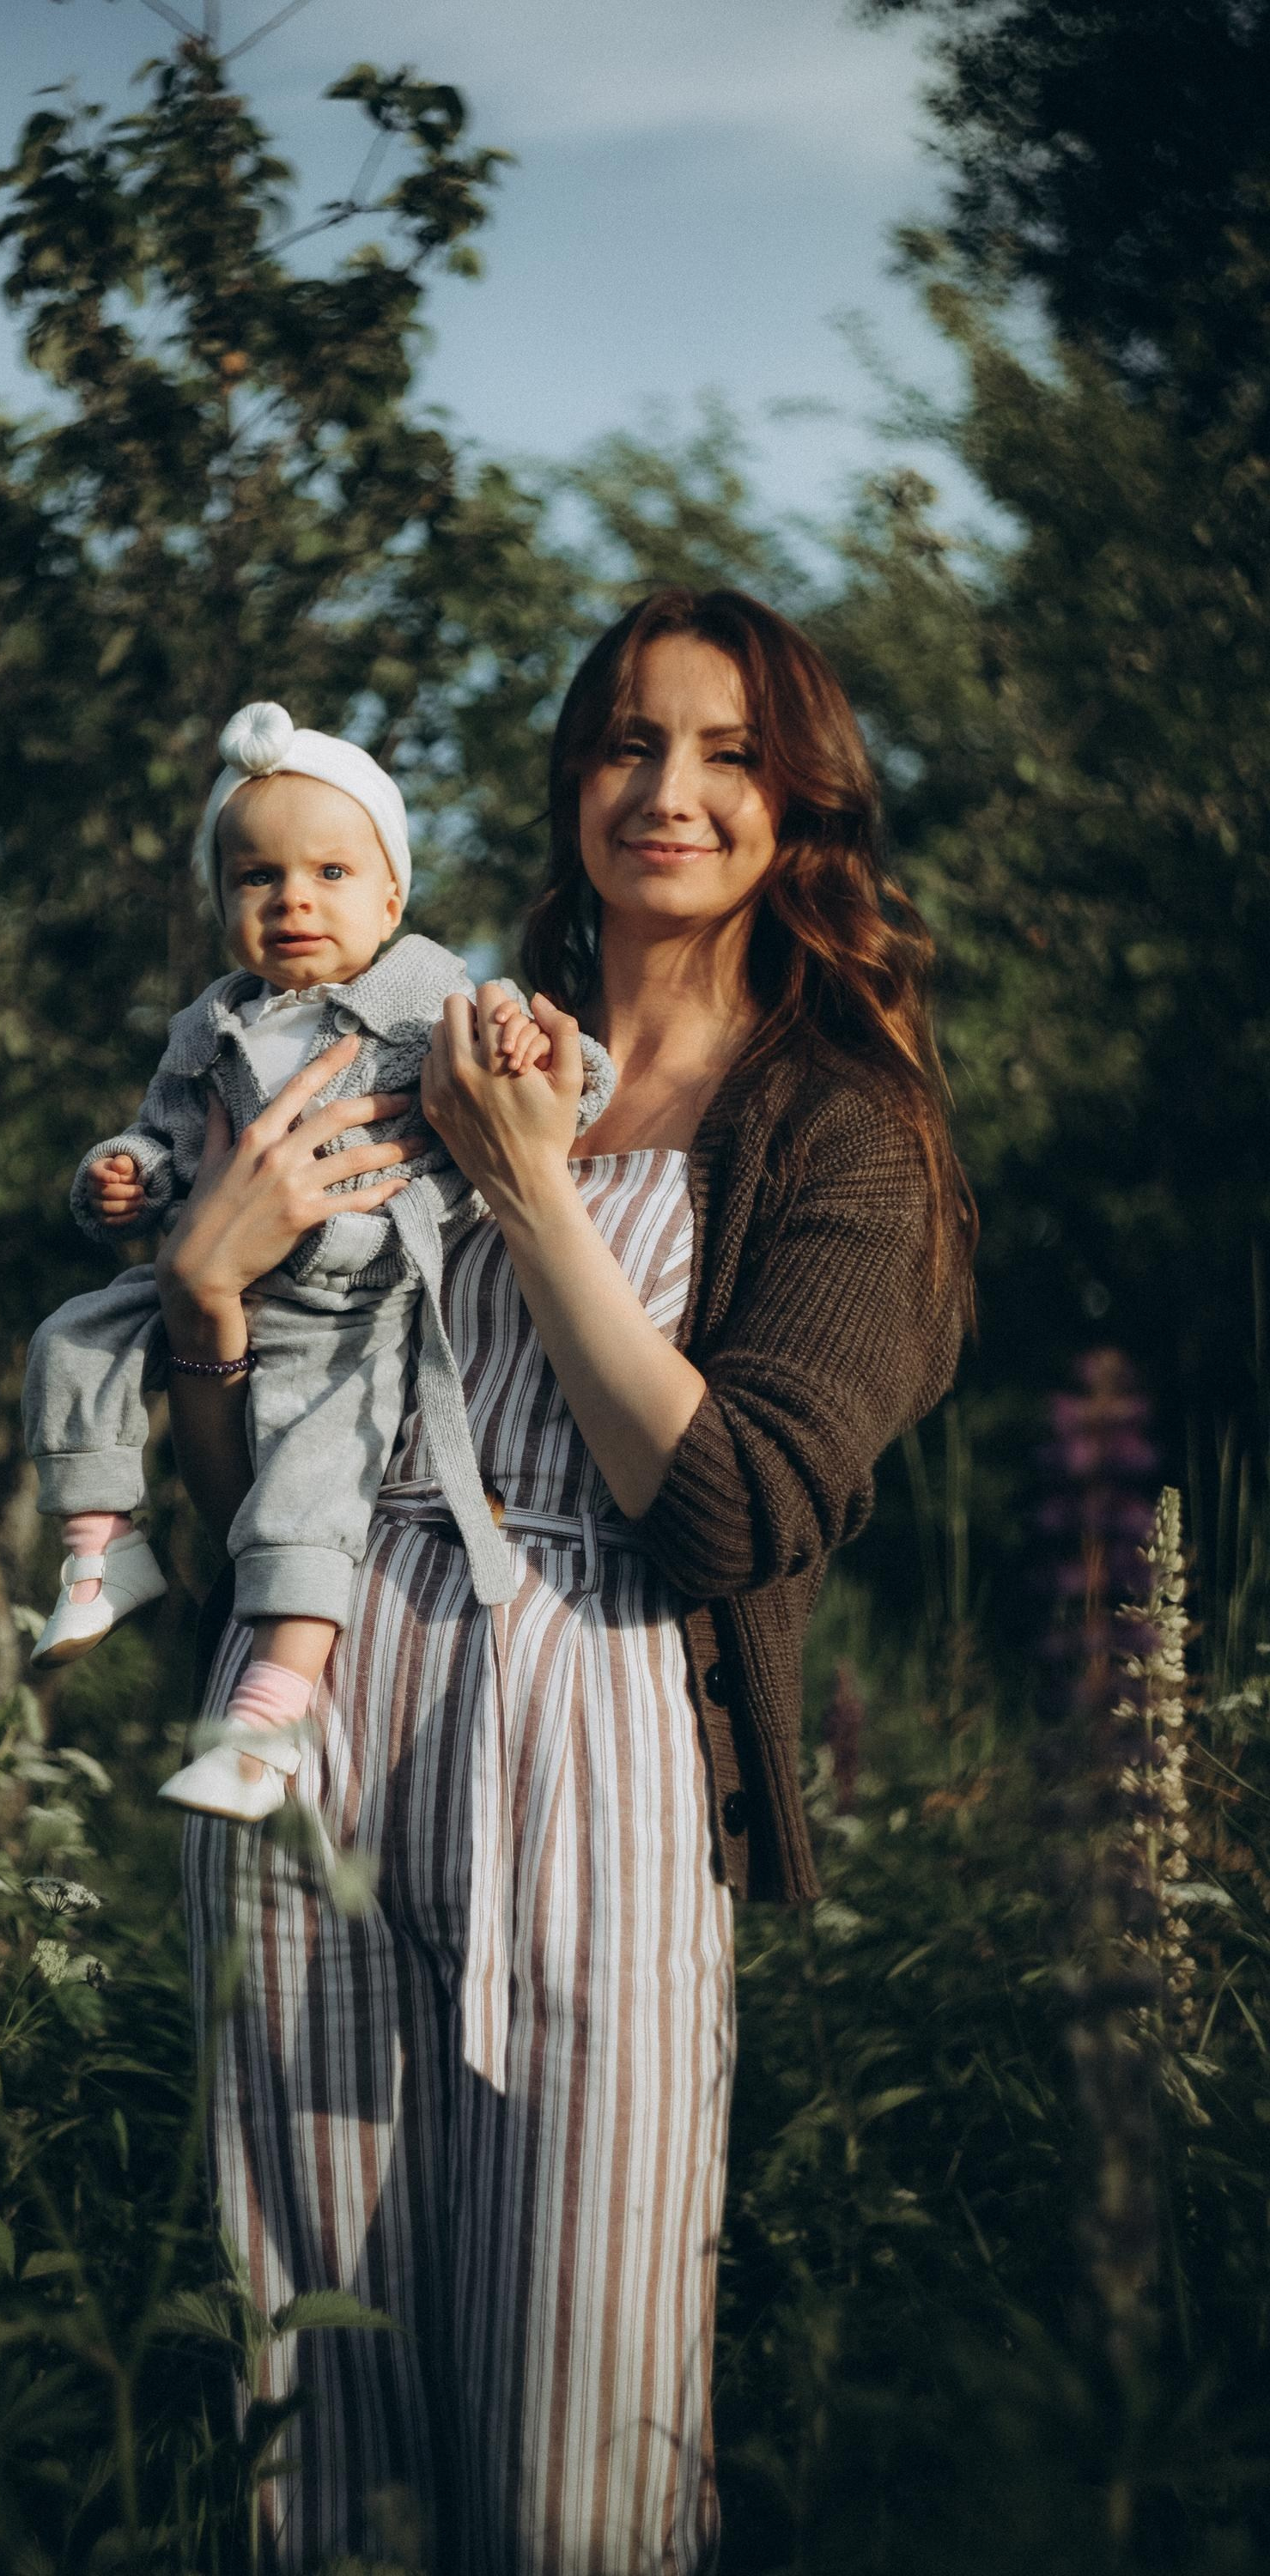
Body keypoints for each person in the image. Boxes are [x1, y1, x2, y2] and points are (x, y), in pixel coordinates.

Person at [155, 586, 973, 2572]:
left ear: (803, 810)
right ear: (568, 780)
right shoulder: (410, 1029)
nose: (664, 791)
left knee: (577, 2461)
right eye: (623, 742)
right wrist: (202, 1289)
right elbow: (233, 1495)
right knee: (305, 2434)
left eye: (724, 754)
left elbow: (717, 1509)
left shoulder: (846, 1133)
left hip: (596, 1728)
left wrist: (526, 1179)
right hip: (314, 1720)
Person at [20, 701, 612, 1822]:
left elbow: (582, 1089)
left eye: (331, 872)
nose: (293, 898)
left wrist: (539, 1052)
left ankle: (268, 1728)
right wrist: (125, 1174)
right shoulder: (210, 1023)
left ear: (390, 897)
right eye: (257, 878)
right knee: (74, 1335)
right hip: (220, 1262)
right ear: (223, 903)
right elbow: (161, 1135)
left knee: (311, 1488)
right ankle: (100, 1544)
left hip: (351, 1306)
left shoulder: (428, 995)